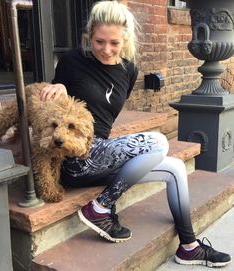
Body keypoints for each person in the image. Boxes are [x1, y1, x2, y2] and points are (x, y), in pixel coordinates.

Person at [40, 0, 231, 268]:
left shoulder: (129, 70)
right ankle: (101, 207)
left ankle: (189, 246)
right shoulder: (72, 61)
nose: (106, 50)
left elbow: (105, 117)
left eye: (114, 43)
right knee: (157, 141)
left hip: (102, 153)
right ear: (89, 36)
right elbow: (53, 115)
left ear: (125, 40)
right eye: (99, 41)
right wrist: (57, 86)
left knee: (175, 166)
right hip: (77, 158)